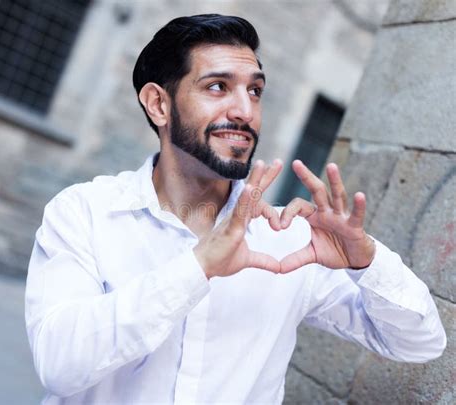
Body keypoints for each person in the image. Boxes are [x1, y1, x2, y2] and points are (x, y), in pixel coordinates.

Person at [25, 14, 446, 404]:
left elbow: (421, 343)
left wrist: (365, 261)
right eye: (217, 87)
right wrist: (197, 267)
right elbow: (60, 366)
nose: (245, 111)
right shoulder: (85, 212)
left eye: (255, 91)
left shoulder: (290, 239)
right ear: (159, 104)